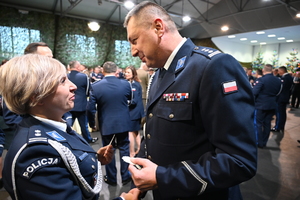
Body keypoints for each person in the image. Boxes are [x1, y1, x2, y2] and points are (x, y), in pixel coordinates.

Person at [123, 1, 257, 200]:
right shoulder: (158, 74)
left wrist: (163, 177)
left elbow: (239, 160)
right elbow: (154, 132)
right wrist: (142, 176)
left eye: (134, 40)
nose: (133, 51)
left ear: (158, 27)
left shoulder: (212, 66)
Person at [0, 54, 140, 200]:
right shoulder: (36, 152)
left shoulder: (51, 125)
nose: (73, 86)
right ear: (36, 96)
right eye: (62, 81)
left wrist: (94, 159)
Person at [87, 61, 132, 186]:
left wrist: (92, 124)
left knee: (108, 150)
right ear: (116, 70)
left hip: (106, 122)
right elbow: (130, 100)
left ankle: (112, 178)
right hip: (123, 122)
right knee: (124, 149)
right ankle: (125, 176)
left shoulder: (96, 86)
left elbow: (90, 108)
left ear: (103, 71)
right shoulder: (126, 84)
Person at [68, 60, 98, 143]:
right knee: (84, 125)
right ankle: (87, 139)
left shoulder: (66, 76)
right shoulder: (83, 76)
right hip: (81, 105)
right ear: (77, 67)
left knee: (68, 124)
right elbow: (88, 90)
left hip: (69, 104)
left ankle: (68, 139)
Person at [253, 64, 282, 148]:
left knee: (258, 124)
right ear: (272, 70)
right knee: (267, 124)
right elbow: (279, 92)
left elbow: (254, 92)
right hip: (272, 104)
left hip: (261, 104)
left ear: (263, 70)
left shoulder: (261, 80)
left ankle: (259, 142)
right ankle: (264, 142)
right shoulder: (278, 80)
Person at [124, 66, 145, 157]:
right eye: (125, 72)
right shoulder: (129, 83)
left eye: (128, 72)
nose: (126, 74)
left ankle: (132, 152)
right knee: (136, 132)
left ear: (133, 74)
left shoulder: (135, 84)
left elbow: (134, 101)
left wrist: (124, 102)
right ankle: (140, 150)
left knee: (130, 132)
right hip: (135, 111)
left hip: (134, 112)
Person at [271, 66, 293, 133]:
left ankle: (277, 127)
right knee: (283, 113)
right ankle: (281, 126)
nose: (278, 72)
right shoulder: (289, 77)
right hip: (286, 97)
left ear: (282, 71)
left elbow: (281, 88)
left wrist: (276, 95)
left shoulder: (284, 78)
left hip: (281, 98)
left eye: (279, 71)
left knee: (279, 113)